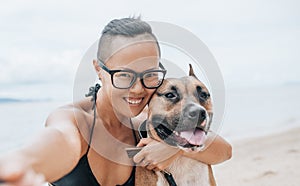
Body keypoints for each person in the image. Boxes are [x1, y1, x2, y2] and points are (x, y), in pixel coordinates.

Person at [0, 17, 231, 186]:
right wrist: (21, 163)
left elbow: (223, 150)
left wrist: (174, 148)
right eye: (124, 75)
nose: (138, 88)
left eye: (149, 74)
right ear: (99, 70)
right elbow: (60, 141)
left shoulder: (148, 123)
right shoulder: (75, 119)